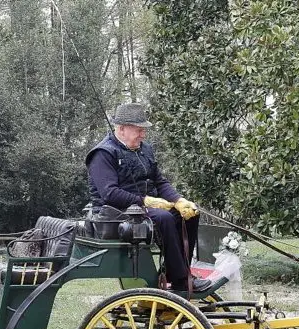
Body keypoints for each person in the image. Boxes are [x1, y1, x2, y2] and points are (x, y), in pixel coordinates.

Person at [85, 103, 209, 292]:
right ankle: (182, 280)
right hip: (114, 214)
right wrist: (145, 201)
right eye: (139, 130)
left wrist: (179, 201)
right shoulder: (103, 154)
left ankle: (175, 271)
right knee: (164, 218)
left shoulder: (145, 150)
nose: (143, 135)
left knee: (189, 214)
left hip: (143, 209)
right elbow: (109, 193)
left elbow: (159, 182)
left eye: (144, 130)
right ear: (122, 129)